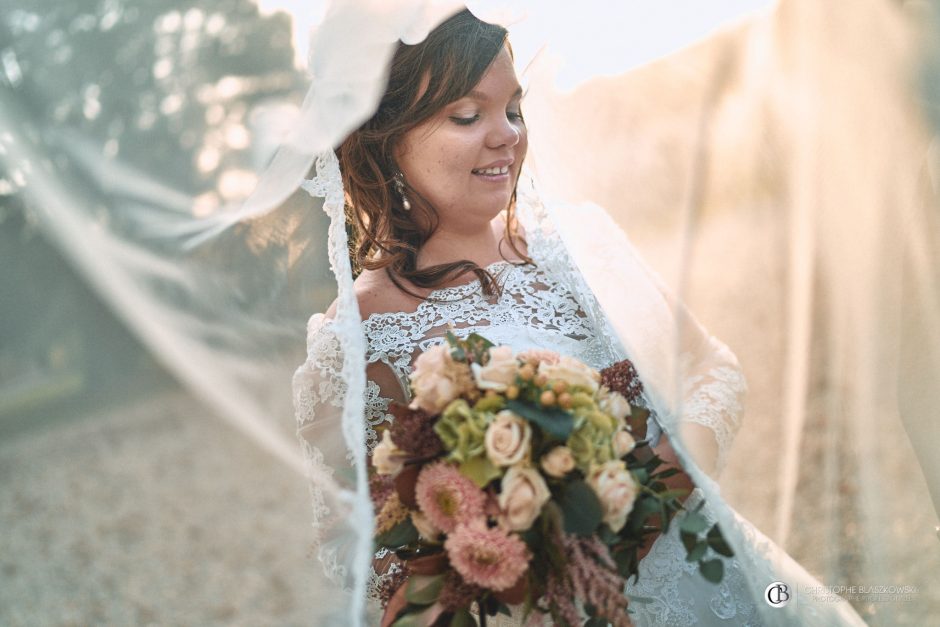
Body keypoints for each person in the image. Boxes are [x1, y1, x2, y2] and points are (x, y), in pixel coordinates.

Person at [292, 8, 870, 626]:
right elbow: (361, 551)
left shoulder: (582, 242)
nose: (507, 134)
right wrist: (502, 569)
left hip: (715, 576)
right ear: (384, 134)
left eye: (513, 109)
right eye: (467, 115)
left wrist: (662, 483)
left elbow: (711, 366)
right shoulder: (360, 331)